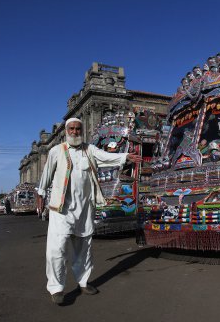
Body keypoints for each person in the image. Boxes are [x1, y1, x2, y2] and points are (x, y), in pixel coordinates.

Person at [37, 117, 141, 305]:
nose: (75, 132)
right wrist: (40, 193)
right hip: (61, 209)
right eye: (72, 129)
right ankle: (56, 288)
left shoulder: (89, 150)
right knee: (56, 249)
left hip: (84, 207)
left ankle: (83, 282)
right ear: (66, 131)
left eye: (78, 129)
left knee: (84, 248)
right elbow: (46, 175)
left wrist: (125, 157)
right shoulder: (56, 151)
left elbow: (106, 157)